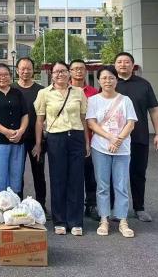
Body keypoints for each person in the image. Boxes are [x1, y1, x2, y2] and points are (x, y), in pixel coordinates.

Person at [34, 61, 89, 236]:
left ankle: (76, 221)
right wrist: (38, 143)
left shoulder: (79, 92)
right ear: (51, 75)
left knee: (76, 179)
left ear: (69, 73)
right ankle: (60, 220)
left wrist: (87, 142)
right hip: (55, 138)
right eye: (56, 72)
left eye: (63, 71)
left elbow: (83, 119)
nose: (60, 74)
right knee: (58, 179)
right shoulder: (44, 93)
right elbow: (39, 121)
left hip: (76, 137)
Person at [86, 65, 138, 238]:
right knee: (102, 186)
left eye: (111, 78)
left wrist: (118, 140)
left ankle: (123, 220)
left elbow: (130, 123)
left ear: (116, 80)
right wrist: (110, 138)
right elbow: (91, 123)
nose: (107, 81)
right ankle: (104, 219)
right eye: (104, 78)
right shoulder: (93, 100)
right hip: (100, 148)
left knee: (121, 185)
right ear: (98, 81)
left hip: (122, 150)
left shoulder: (125, 100)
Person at [114, 51, 158, 222]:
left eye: (127, 62)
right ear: (115, 65)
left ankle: (139, 208)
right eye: (119, 62)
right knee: (115, 174)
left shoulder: (144, 85)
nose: (123, 64)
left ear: (133, 65)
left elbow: (154, 109)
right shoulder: (110, 83)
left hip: (139, 136)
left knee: (138, 173)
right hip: (115, 138)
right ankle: (115, 208)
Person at [0, 64, 29, 197]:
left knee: (15, 178)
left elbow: (25, 115)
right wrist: (6, 132)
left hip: (17, 141)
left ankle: (13, 208)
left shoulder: (17, 93)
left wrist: (21, 131)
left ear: (10, 76)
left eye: (6, 74)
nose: (3, 77)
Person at [11, 57, 47, 214]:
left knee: (39, 174)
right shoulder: (11, 89)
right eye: (22, 68)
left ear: (33, 70)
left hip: (36, 139)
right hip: (16, 139)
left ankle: (41, 205)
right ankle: (17, 205)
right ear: (17, 70)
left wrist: (39, 142)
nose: (25, 71)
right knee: (16, 174)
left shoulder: (41, 90)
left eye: (28, 68)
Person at [70, 59, 100, 221]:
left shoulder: (94, 92)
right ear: (70, 72)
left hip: (91, 138)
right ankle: (73, 205)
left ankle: (91, 204)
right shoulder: (64, 90)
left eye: (81, 68)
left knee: (90, 174)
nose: (78, 71)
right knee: (72, 175)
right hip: (70, 139)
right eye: (75, 69)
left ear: (86, 71)